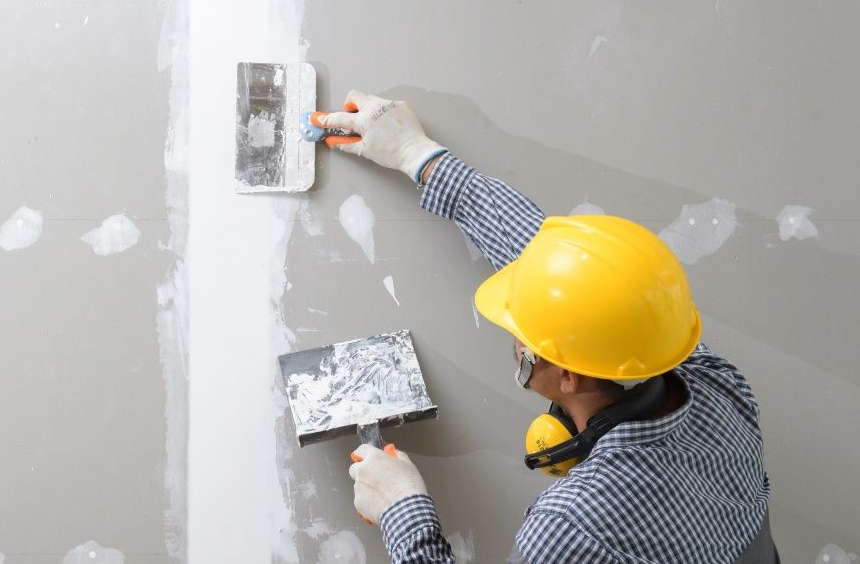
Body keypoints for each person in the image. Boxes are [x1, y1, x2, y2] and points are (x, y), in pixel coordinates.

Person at [313, 91, 776, 564]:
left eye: (523, 332)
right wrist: (418, 155)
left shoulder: (572, 527)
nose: (513, 333)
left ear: (567, 376)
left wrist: (401, 509)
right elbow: (573, 275)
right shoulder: (719, 386)